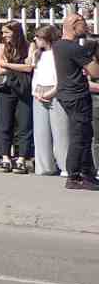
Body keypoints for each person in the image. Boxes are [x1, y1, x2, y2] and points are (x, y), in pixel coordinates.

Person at [51, 12, 99, 190]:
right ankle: (74, 176)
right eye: (83, 24)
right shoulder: (73, 48)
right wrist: (93, 53)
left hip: (67, 94)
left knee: (85, 133)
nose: (86, 28)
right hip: (76, 95)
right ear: (74, 25)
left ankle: (87, 172)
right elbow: (95, 72)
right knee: (80, 135)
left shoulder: (58, 46)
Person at [0, 22, 35, 174]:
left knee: (25, 124)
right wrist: (20, 66)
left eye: (6, 32)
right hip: (6, 88)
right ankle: (5, 157)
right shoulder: (2, 47)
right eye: (2, 33)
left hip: (24, 88)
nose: (3, 35)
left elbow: (29, 67)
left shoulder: (29, 46)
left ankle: (22, 159)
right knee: (5, 123)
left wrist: (8, 64)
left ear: (15, 32)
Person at [31, 25, 65, 177]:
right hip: (39, 91)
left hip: (55, 91)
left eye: (38, 37)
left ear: (47, 38)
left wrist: (53, 91)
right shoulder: (38, 54)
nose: (35, 40)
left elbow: (61, 75)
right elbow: (36, 75)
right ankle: (44, 166)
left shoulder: (58, 54)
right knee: (40, 132)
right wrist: (36, 93)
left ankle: (65, 165)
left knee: (61, 131)